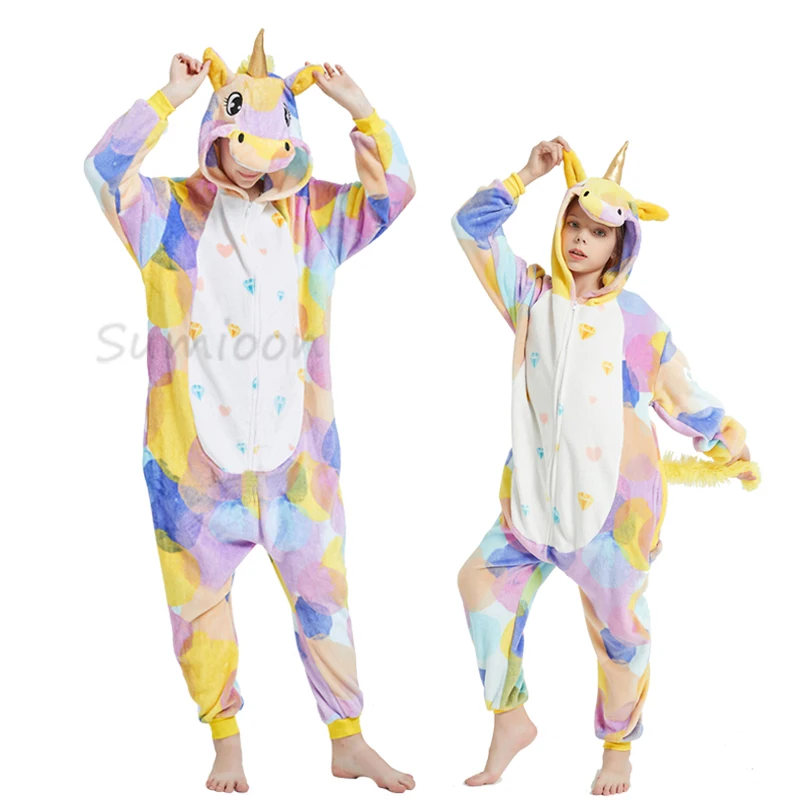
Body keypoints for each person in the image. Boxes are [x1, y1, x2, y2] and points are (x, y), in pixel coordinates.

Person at [84, 30, 416, 794]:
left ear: (292, 143)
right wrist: (168, 96)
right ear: (215, 130)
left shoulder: (315, 217)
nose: (255, 156)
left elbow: (394, 195)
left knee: (325, 596)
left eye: (274, 139)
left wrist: (359, 108)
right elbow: (103, 170)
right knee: (197, 607)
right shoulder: (165, 213)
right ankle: (225, 739)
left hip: (300, 462)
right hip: (192, 465)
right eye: (239, 134)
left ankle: (347, 738)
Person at [452, 137, 755, 795]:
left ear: (620, 247)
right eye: (573, 224)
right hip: (532, 506)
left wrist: (727, 438)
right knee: (478, 583)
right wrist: (526, 174)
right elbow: (470, 227)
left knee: (620, 635)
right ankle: (510, 718)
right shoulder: (530, 296)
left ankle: (618, 747)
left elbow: (680, 392)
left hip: (614, 514)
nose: (580, 240)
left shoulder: (635, 320)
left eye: (597, 232)